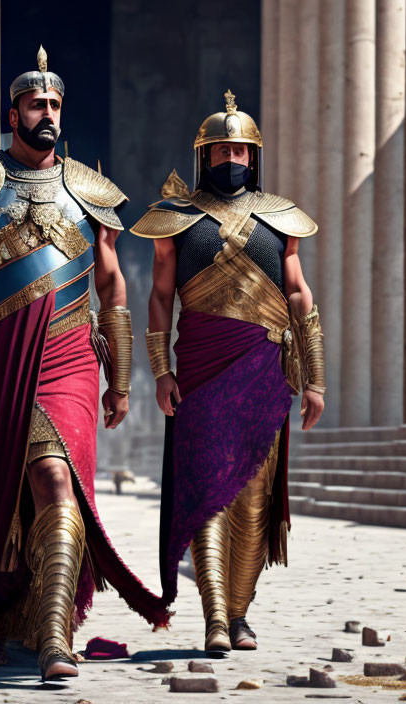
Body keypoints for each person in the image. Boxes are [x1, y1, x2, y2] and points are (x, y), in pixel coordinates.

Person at [0, 47, 168, 682]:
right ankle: (2, 616)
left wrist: (119, 380)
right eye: (36, 105)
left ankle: (56, 631)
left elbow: (113, 290)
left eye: (55, 105)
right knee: (1, 497)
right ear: (14, 113)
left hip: (70, 362)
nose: (48, 114)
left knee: (57, 482)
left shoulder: (91, 192)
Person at [130, 90, 325, 652]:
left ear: (254, 155)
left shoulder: (280, 217)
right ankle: (216, 618)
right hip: (200, 370)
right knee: (208, 491)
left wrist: (315, 378)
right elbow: (160, 300)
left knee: (254, 496)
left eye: (242, 150)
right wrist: (161, 371)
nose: (233, 159)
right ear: (205, 156)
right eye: (222, 150)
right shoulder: (175, 219)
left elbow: (298, 296)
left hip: (266, 372)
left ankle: (239, 615)